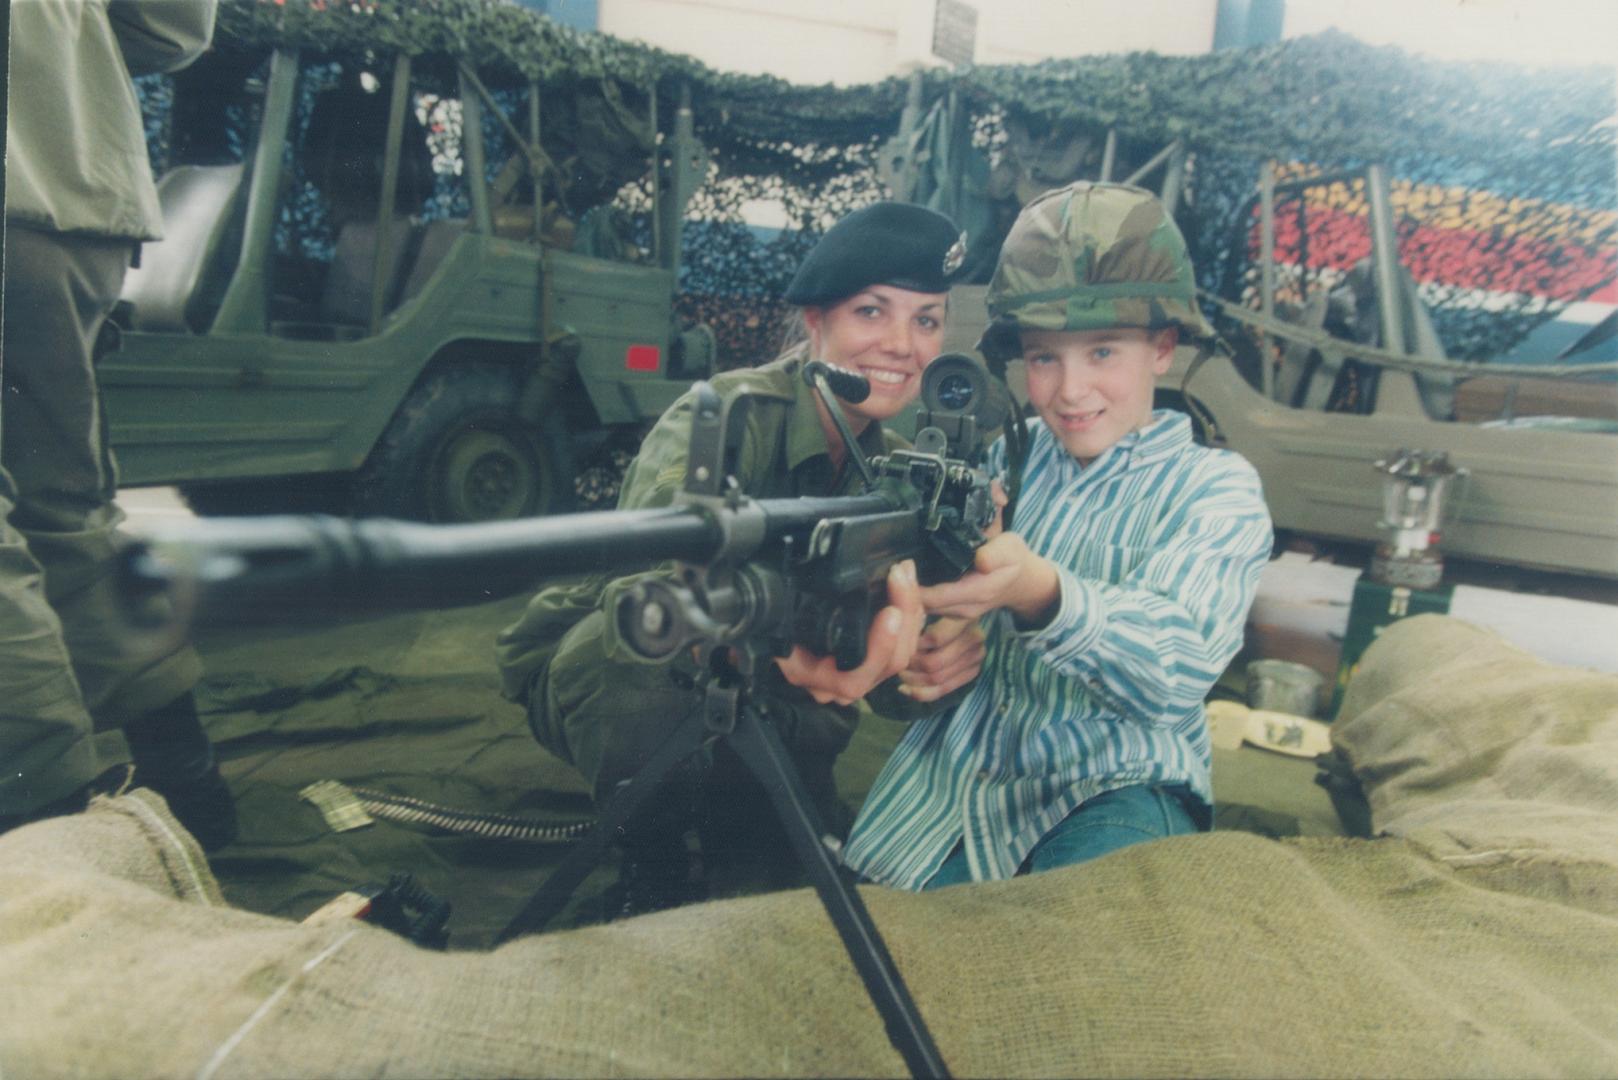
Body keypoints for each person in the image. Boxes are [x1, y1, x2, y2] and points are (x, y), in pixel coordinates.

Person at [496, 202, 981, 914]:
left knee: (780, 900)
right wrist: (784, 646)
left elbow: (882, 679)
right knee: (638, 644)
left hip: (785, 714)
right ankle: (649, 850)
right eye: (872, 313)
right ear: (816, 321)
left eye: (926, 320)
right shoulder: (724, 417)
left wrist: (932, 651)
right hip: (635, 673)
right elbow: (650, 590)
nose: (903, 345)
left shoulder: (904, 472)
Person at [842, 181, 1274, 889]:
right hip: (952, 791)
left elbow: (1181, 669)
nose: (1071, 390)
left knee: (1082, 947)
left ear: (1163, 347)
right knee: (873, 954)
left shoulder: (1214, 489)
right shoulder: (999, 461)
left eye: (1103, 352)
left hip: (1112, 789)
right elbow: (920, 633)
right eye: (1044, 358)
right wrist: (928, 651)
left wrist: (1042, 595)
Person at [0, 0, 236, 850]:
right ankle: (188, 782)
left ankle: (49, 839)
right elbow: (176, 26)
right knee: (68, 510)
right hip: (72, 178)